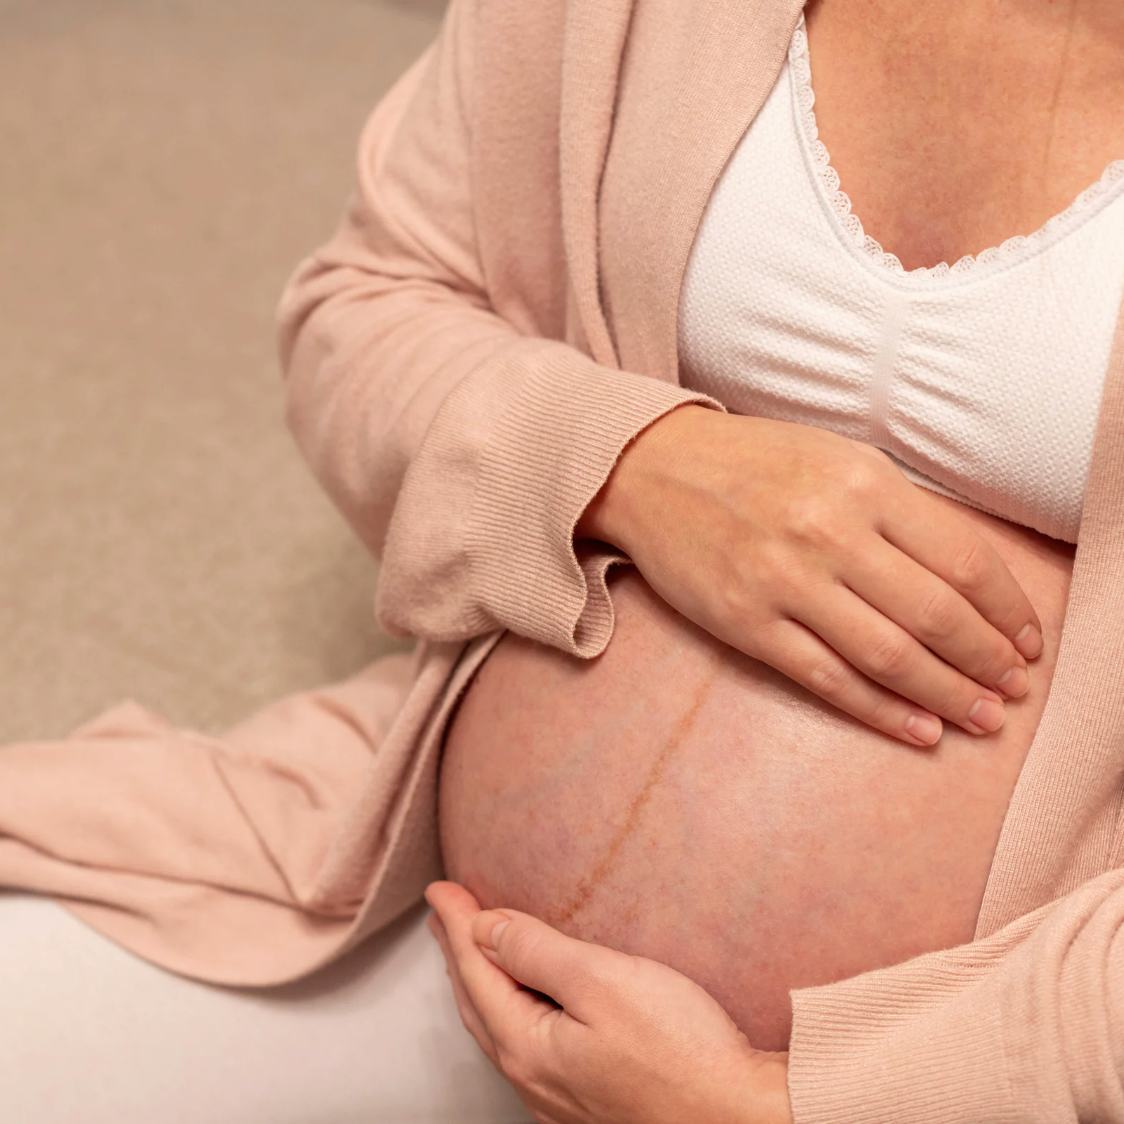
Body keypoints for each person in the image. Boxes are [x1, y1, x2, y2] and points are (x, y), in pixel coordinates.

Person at [4, 0, 1124, 1119]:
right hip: (449, 919)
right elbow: (366, 311)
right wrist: (628, 463)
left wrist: (785, 1103)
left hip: (1009, 1058)